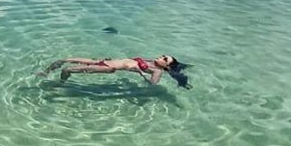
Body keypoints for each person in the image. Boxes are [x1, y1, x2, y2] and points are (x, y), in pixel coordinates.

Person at [37, 54, 191, 89]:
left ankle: (60, 84)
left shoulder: (157, 71)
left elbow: (152, 85)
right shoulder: (149, 60)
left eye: (165, 59)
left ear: (166, 66)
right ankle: (46, 72)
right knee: (66, 59)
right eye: (164, 56)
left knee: (67, 69)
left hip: (109, 68)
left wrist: (142, 74)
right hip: (105, 61)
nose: (162, 56)